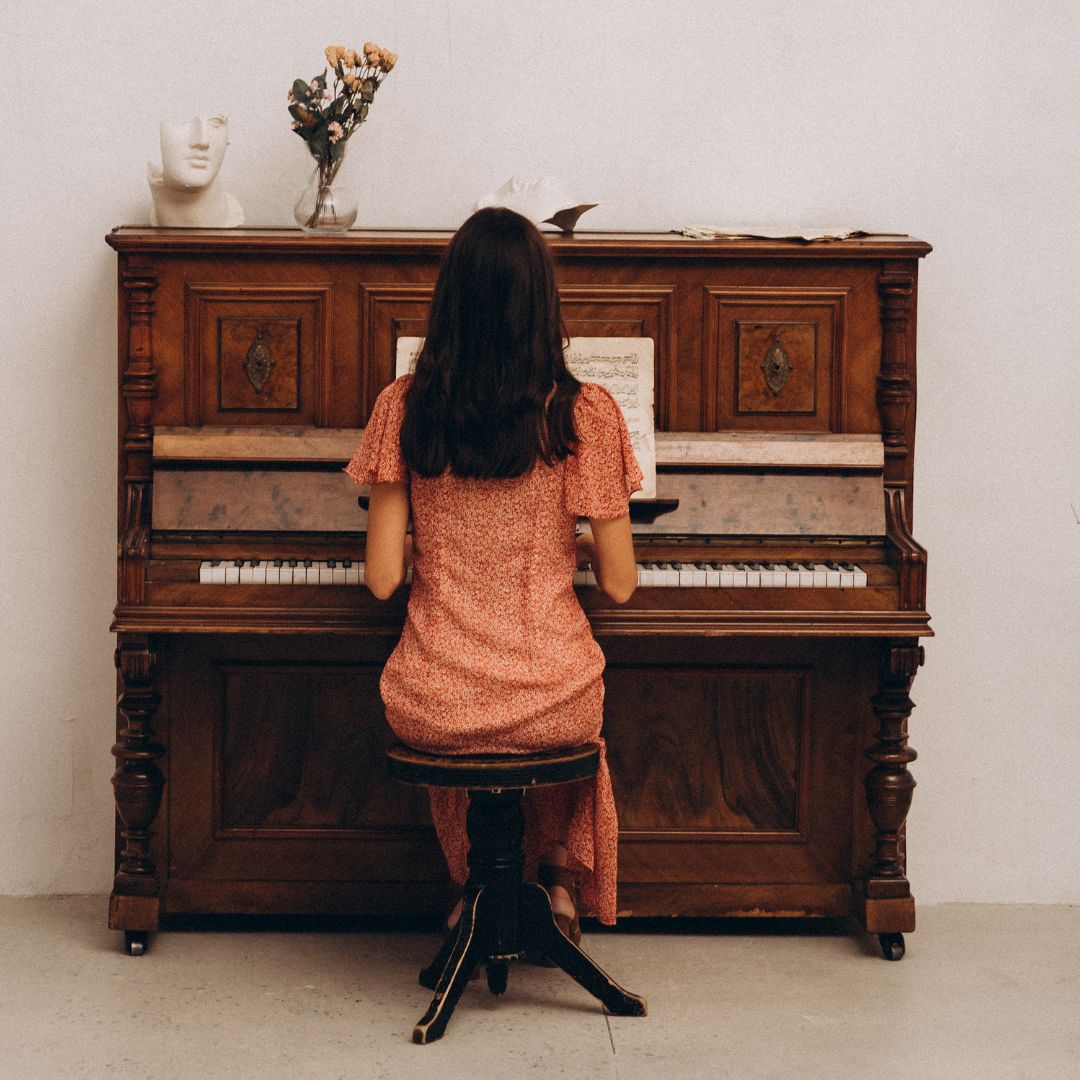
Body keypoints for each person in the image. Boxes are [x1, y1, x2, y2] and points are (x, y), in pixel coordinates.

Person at [344, 207, 642, 938]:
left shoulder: (403, 407)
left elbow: (382, 579)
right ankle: (553, 878)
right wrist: (547, 547)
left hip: (435, 698)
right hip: (552, 694)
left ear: (448, 302)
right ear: (544, 304)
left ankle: (477, 883)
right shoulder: (585, 414)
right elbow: (621, 584)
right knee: (559, 704)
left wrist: (443, 548)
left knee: (459, 707)